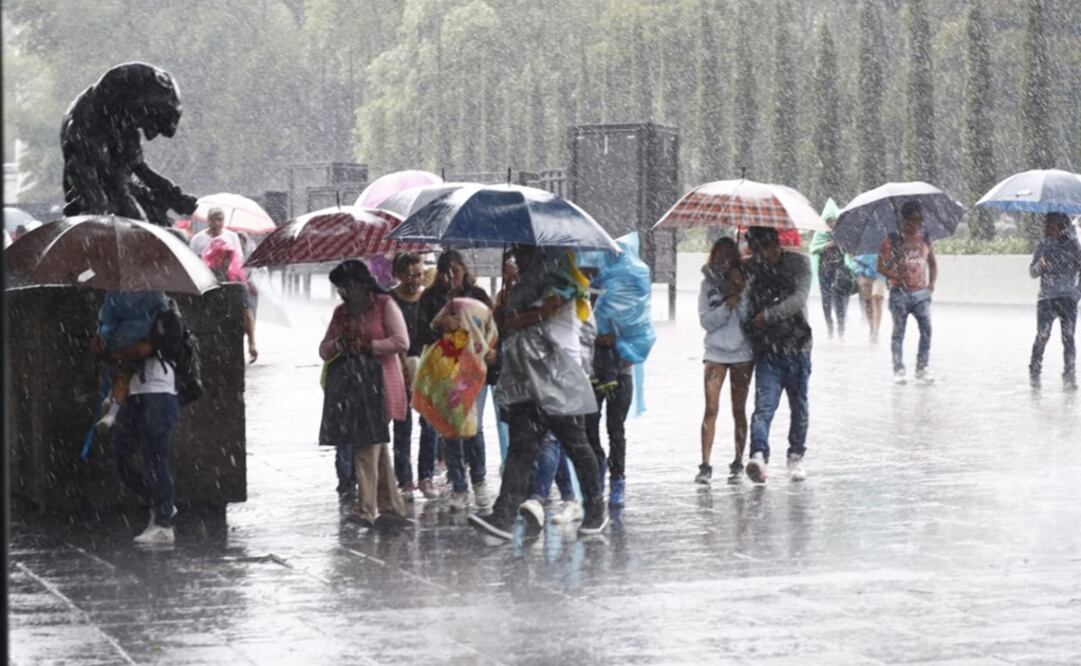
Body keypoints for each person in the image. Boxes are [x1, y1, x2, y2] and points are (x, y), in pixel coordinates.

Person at [470, 244, 607, 540]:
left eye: (524, 253)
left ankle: (596, 509)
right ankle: (503, 516)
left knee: (576, 445)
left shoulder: (562, 279)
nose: (518, 258)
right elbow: (507, 323)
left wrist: (522, 312)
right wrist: (512, 301)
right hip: (528, 377)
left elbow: (545, 312)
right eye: (516, 253)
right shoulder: (523, 286)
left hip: (560, 375)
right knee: (521, 447)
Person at [318, 260, 410, 528]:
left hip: (380, 384)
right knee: (375, 445)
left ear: (360, 284)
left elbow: (401, 341)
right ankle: (391, 506)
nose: (344, 293)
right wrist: (340, 343)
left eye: (347, 287)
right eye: (340, 289)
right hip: (353, 388)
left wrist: (369, 345)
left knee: (365, 444)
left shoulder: (383, 305)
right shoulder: (341, 314)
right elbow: (324, 350)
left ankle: (365, 508)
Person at [90, 291, 180, 544]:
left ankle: (164, 524)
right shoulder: (122, 310)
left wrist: (114, 354)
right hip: (134, 392)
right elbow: (120, 346)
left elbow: (142, 349)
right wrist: (101, 346)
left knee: (156, 457)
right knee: (121, 457)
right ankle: (162, 503)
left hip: (158, 391)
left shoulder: (167, 316)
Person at [415, 250, 493, 511]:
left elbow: (492, 330)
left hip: (473, 371)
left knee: (474, 427)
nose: (451, 278)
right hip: (444, 371)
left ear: (465, 271)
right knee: (451, 428)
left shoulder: (478, 296)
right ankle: (459, 485)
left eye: (456, 272)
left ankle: (479, 480)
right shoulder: (431, 298)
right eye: (446, 273)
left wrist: (489, 351)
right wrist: (439, 325)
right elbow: (419, 335)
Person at [743, 227, 813, 484]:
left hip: (798, 347)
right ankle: (758, 455)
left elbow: (799, 298)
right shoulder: (751, 268)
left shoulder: (799, 263)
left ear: (775, 246)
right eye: (756, 252)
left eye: (765, 250)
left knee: (799, 406)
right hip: (767, 351)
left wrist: (768, 316)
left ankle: (796, 456)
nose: (762, 257)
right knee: (764, 406)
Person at [696, 237, 754, 485]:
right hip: (715, 353)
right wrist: (725, 305)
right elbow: (706, 321)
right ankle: (705, 464)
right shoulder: (706, 286)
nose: (722, 262)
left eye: (727, 257)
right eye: (718, 257)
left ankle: (738, 461)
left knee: (738, 410)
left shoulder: (746, 284)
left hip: (742, 353)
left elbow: (749, 320)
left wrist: (740, 295)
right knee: (711, 408)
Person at [89, 291, 170, 433]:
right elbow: (163, 313)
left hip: (117, 339)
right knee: (124, 377)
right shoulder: (154, 292)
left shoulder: (114, 293)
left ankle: (109, 399)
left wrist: (103, 337)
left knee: (118, 375)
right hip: (137, 339)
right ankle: (113, 409)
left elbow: (106, 318)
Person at [877, 201, 937, 385]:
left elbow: (932, 263)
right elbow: (880, 265)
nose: (918, 224)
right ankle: (898, 368)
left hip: (921, 294)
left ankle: (922, 367)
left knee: (926, 330)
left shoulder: (925, 239)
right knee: (898, 333)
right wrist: (894, 274)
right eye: (914, 220)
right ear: (905, 220)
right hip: (899, 293)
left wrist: (931, 284)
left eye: (920, 220)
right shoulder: (892, 240)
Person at [388, 252, 432, 499]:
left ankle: (425, 476)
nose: (414, 280)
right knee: (402, 426)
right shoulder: (390, 300)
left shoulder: (428, 298)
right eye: (409, 275)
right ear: (397, 275)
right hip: (399, 367)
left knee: (430, 424)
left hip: (427, 366)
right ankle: (404, 479)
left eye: (419, 274)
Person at [1028, 212, 1081, 390]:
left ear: (1060, 226)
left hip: (1068, 299)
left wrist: (1077, 292)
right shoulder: (1043, 245)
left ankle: (1069, 372)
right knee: (1043, 335)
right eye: (1045, 225)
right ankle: (1034, 369)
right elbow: (1032, 273)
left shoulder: (1074, 245)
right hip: (1046, 298)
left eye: (1049, 225)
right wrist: (1040, 266)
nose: (1045, 228)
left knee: (1068, 338)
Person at [202, 238, 258, 363]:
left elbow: (247, 313)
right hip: (226, 336)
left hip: (215, 337)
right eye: (224, 257)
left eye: (229, 257)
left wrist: (251, 343)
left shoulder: (202, 278)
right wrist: (251, 343)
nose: (227, 261)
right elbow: (247, 314)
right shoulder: (236, 283)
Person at [809, 214, 853, 340]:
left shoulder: (843, 234)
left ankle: (841, 328)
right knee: (826, 299)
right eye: (830, 221)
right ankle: (829, 325)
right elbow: (813, 249)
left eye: (834, 221)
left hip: (840, 272)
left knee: (840, 300)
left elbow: (849, 250)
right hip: (824, 271)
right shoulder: (820, 234)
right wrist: (825, 246)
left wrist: (840, 244)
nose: (832, 224)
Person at [847, 253, 887, 343]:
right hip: (864, 273)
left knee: (877, 300)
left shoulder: (885, 240)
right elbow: (854, 258)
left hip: (880, 274)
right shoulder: (862, 241)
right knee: (868, 303)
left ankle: (876, 331)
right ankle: (872, 327)